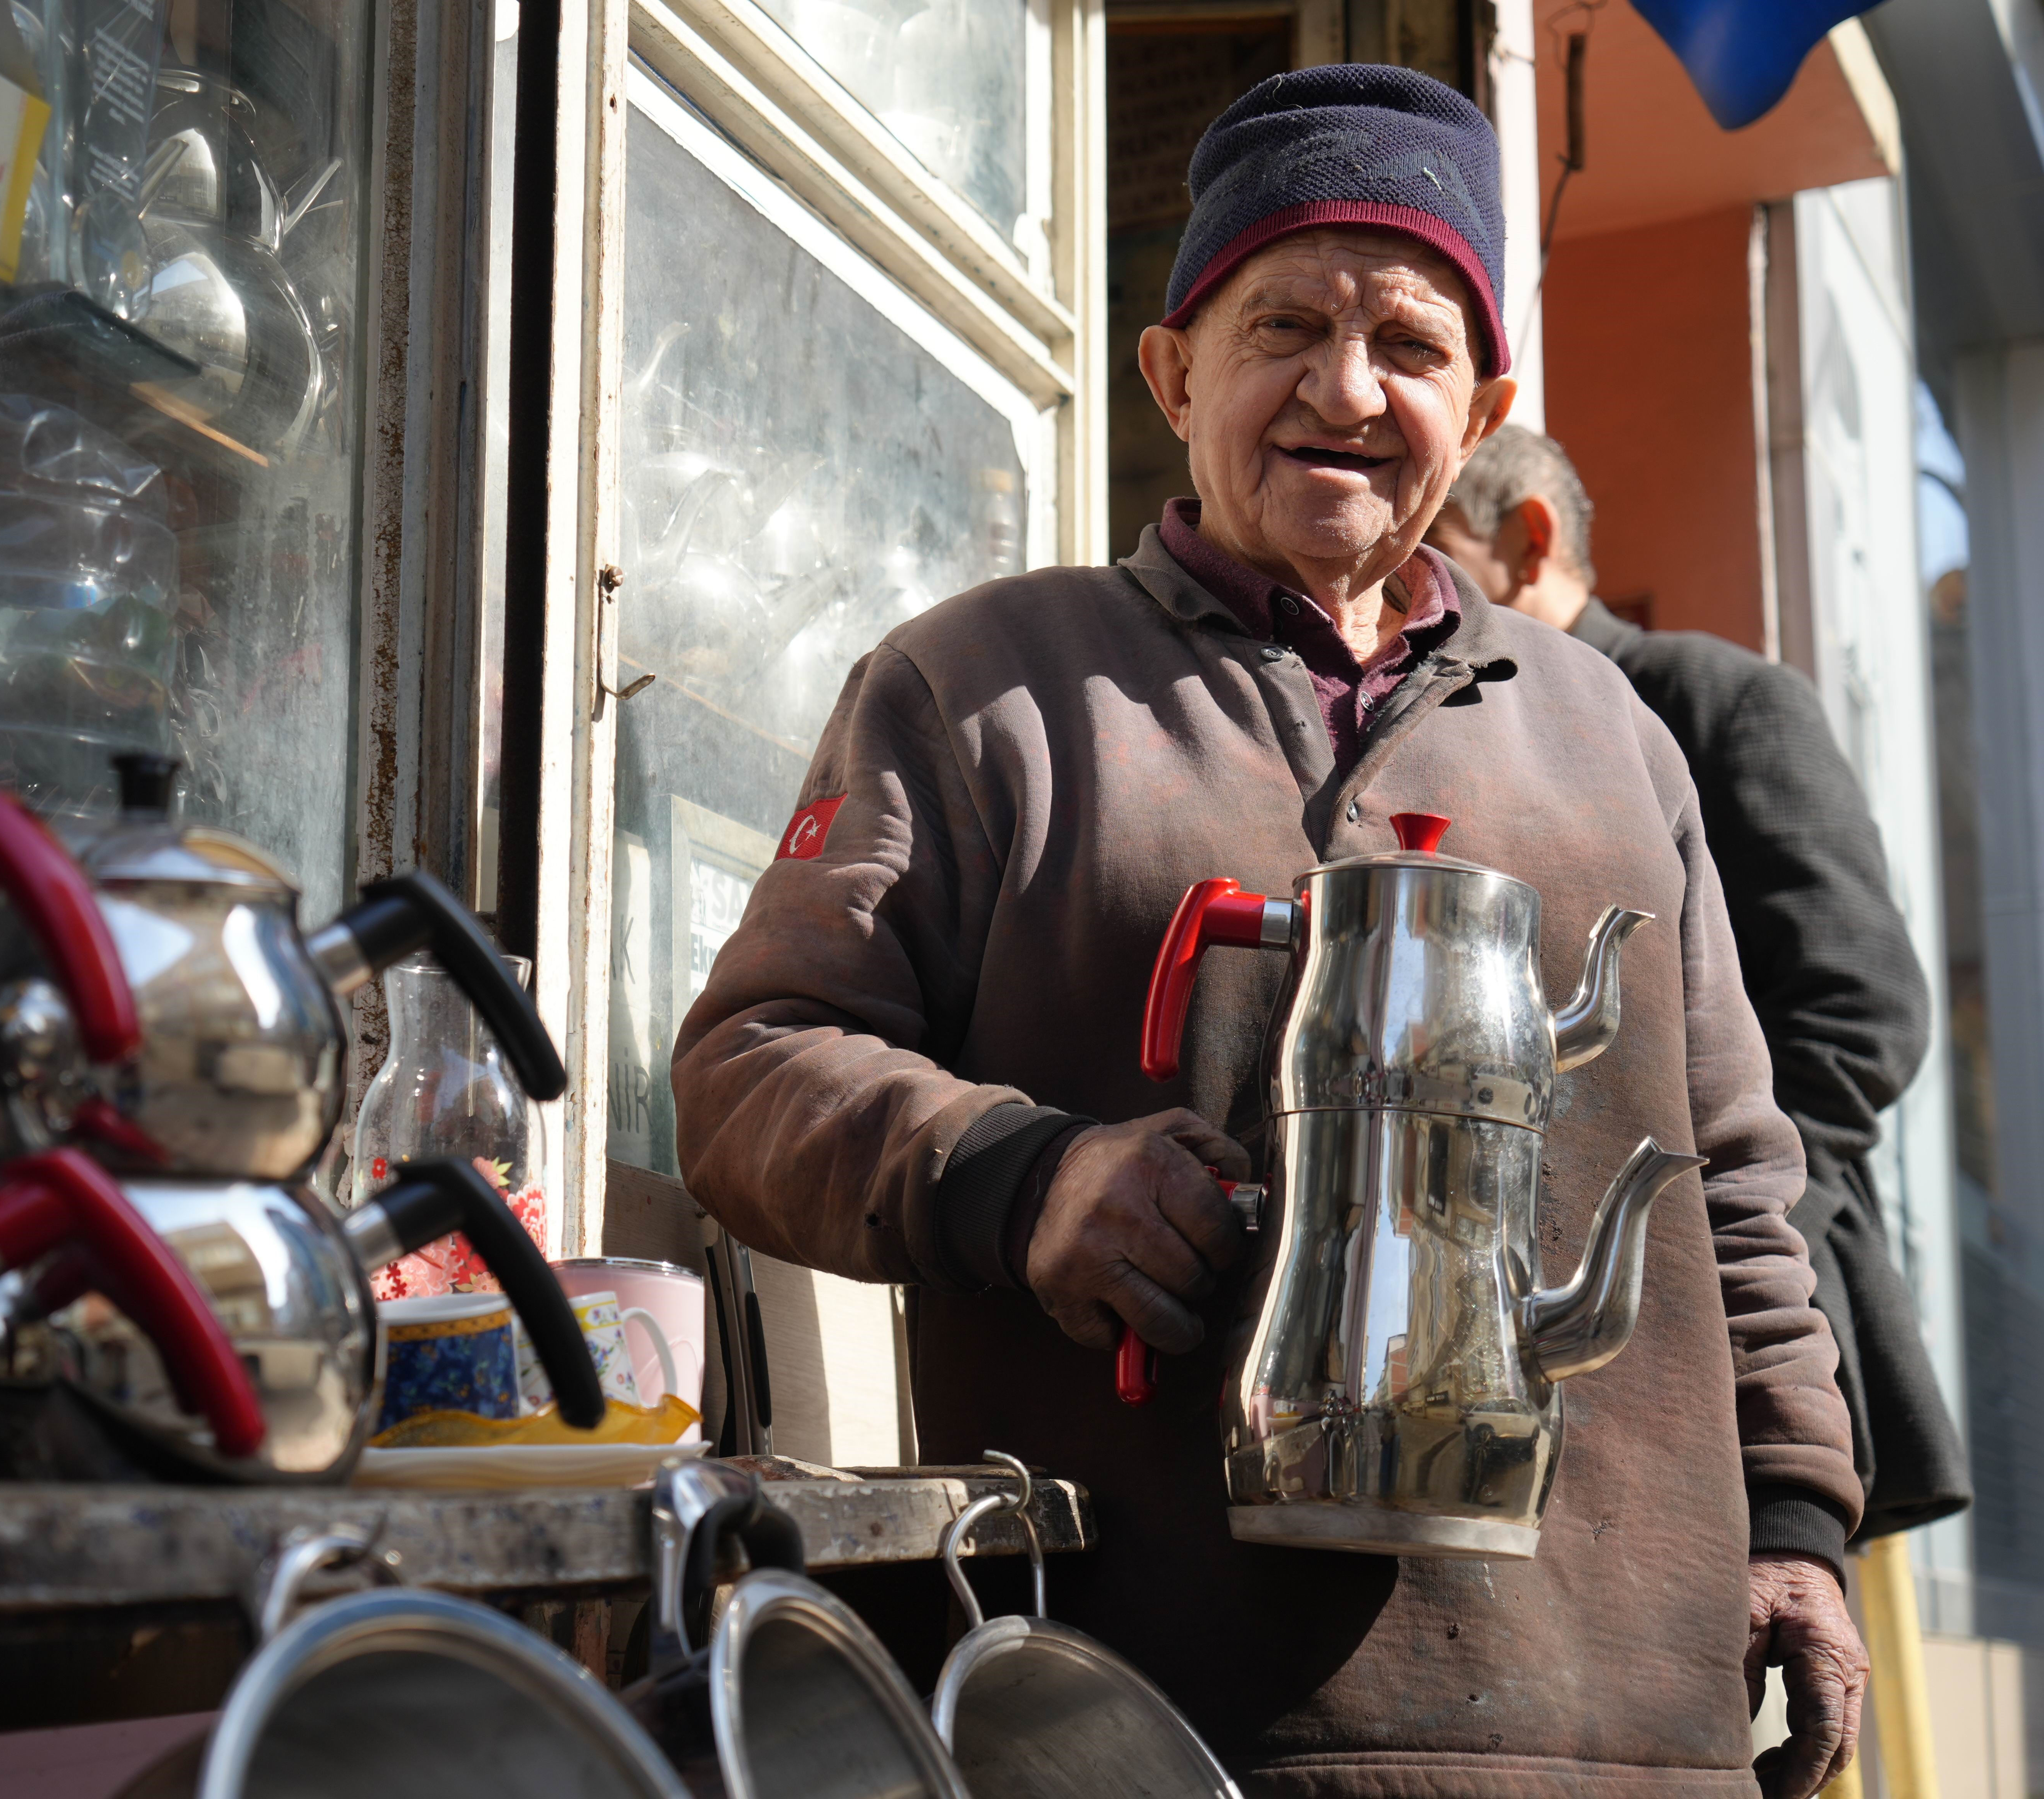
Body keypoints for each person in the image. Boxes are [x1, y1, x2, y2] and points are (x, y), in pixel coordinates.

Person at [671, 64, 1868, 1799]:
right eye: (1282, 324)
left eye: (1410, 342)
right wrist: (1024, 1174)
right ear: (1172, 373)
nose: (1347, 388)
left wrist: (1801, 1522)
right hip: (1129, 1713)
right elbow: (750, 1066)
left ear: (1486, 403)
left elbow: (1735, 1175)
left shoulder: (1610, 734)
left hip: (1614, 1722)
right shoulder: (988, 690)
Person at [1429, 426, 1972, 1543]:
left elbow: (1863, 1011)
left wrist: (1712, 1228)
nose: (1410, 588)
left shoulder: (1716, 698)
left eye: (1438, 547)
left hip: (1742, 1332)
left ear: (1530, 540)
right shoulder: (1470, 728)